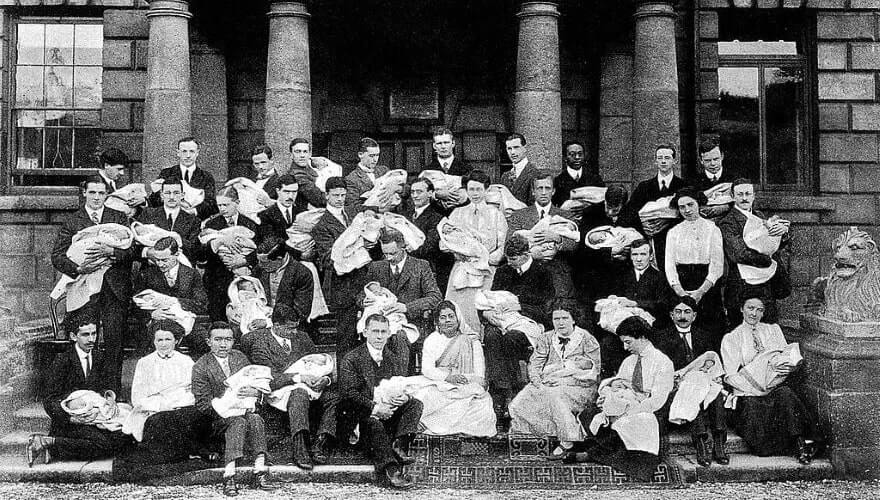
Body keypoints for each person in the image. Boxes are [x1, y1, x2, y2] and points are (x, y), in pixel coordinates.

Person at [52, 177, 134, 394]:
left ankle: (112, 392)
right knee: (87, 339)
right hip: (85, 289)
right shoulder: (73, 221)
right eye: (92, 193)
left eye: (101, 193)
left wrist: (113, 252)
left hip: (113, 289)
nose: (97, 197)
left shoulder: (118, 217)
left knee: (114, 341)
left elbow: (131, 250)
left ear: (107, 194)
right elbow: (57, 256)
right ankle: (87, 391)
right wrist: (78, 269)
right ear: (84, 193)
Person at [569, 316, 674, 482]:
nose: (625, 347)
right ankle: (598, 452)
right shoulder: (629, 361)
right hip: (624, 405)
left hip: (649, 408)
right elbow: (618, 382)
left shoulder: (662, 362)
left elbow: (658, 400)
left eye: (628, 342)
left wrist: (630, 411)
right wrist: (613, 387)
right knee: (588, 415)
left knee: (632, 423)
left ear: (642, 337)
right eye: (623, 343)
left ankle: (594, 454)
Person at [721, 296, 821, 464]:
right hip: (748, 391)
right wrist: (756, 386)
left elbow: (785, 356)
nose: (754, 313)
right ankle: (776, 446)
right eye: (750, 308)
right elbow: (731, 376)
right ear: (741, 309)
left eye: (759, 310)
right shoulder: (732, 338)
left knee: (786, 395)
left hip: (774, 385)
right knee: (752, 407)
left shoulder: (772, 330)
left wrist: (789, 366)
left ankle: (800, 444)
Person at [29, 321, 132, 466]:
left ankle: (53, 445)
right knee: (104, 445)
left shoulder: (99, 357)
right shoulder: (62, 360)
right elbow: (50, 400)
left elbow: (107, 386)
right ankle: (50, 441)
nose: (91, 339)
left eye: (94, 334)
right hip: (70, 421)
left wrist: (110, 398)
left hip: (96, 417)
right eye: (85, 335)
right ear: (73, 336)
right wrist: (72, 418)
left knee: (124, 438)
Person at [192, 323, 278, 496]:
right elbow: (203, 404)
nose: (223, 345)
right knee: (238, 421)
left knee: (255, 418)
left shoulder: (240, 358)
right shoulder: (201, 366)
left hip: (245, 412)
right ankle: (229, 474)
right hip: (217, 421)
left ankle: (259, 470)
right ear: (208, 342)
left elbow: (255, 381)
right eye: (218, 340)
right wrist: (228, 405)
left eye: (228, 340)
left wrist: (255, 392)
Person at [339, 314, 423, 489]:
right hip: (361, 418)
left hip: (388, 413)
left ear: (389, 334)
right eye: (375, 331)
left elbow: (399, 384)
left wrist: (404, 397)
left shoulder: (392, 358)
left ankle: (399, 445)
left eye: (383, 332)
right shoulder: (352, 359)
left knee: (415, 404)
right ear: (365, 332)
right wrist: (376, 408)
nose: (379, 336)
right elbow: (349, 394)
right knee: (373, 424)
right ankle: (392, 470)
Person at [250, 306, 337, 470]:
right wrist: (299, 377)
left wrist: (325, 379)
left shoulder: (303, 337)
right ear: (276, 325)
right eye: (290, 328)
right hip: (280, 390)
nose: (295, 332)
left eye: (296, 327)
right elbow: (268, 377)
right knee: (299, 393)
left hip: (311, 386)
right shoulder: (261, 344)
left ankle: (320, 443)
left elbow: (319, 363)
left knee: (334, 396)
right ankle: (300, 447)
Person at [509, 305, 601, 458]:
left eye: (565, 318)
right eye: (556, 319)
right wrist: (538, 382)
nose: (560, 322)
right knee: (521, 400)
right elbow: (535, 363)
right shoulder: (546, 338)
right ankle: (542, 437)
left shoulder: (587, 339)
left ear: (573, 319)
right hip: (549, 381)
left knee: (556, 395)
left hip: (579, 385)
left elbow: (594, 372)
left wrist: (564, 381)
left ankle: (568, 440)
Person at [652, 298, 728, 467]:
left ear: (694, 316)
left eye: (687, 312)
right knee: (694, 391)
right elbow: (661, 368)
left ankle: (719, 443)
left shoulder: (704, 335)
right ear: (671, 315)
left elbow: (712, 361)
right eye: (678, 312)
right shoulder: (661, 337)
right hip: (677, 386)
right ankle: (700, 443)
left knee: (714, 392)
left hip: (703, 382)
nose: (682, 316)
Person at [485, 235, 556, 418]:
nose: (510, 262)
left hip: (531, 322)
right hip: (503, 320)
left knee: (511, 338)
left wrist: (521, 306)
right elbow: (491, 299)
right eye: (507, 258)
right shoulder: (503, 271)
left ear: (526, 254)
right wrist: (488, 313)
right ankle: (501, 389)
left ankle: (514, 390)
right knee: (491, 335)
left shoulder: (542, 272)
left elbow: (547, 309)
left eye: (514, 258)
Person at [127, 320, 212, 463]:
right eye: (159, 340)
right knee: (158, 422)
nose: (164, 344)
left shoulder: (186, 361)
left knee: (190, 417)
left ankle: (185, 452)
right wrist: (161, 404)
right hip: (153, 410)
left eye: (168, 339)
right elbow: (138, 396)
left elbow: (192, 392)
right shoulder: (144, 363)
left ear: (176, 341)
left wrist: (171, 401)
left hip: (180, 408)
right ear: (154, 341)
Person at [411, 301, 496, 436]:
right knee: (424, 397)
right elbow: (427, 369)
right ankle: (429, 424)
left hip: (466, 384)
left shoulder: (472, 341)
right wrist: (447, 378)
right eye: (443, 317)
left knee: (481, 410)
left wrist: (466, 381)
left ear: (458, 318)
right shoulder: (432, 340)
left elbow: (479, 374)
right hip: (439, 382)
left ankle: (434, 425)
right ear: (437, 321)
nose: (448, 320)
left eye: (451, 316)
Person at [311, 176, 372, 354]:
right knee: (346, 338)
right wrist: (354, 248)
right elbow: (326, 259)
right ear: (326, 196)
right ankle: (346, 380)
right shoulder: (322, 225)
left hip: (363, 280)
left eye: (343, 195)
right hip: (342, 287)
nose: (340, 199)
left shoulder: (353, 215)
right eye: (336, 195)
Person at [719, 178, 791, 326]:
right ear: (733, 196)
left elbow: (773, 244)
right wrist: (768, 260)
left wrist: (782, 234)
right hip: (742, 283)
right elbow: (739, 253)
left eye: (748, 194)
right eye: (740, 194)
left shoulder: (760, 216)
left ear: (753, 196)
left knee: (768, 323)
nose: (744, 198)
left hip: (766, 283)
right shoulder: (728, 222)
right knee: (742, 327)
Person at [445, 169, 508, 333]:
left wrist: (487, 260)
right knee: (459, 314)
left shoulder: (496, 215)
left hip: (486, 272)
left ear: (486, 190)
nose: (475, 193)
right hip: (462, 271)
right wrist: (456, 250)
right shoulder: (457, 213)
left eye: (479, 189)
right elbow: (445, 241)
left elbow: (502, 246)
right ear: (466, 190)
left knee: (480, 311)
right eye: (471, 189)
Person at [664, 187, 726, 345]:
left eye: (690, 205)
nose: (687, 210)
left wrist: (700, 292)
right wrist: (680, 292)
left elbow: (717, 265)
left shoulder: (712, 229)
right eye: (682, 207)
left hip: (706, 283)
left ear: (698, 204)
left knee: (710, 328)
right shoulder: (673, 232)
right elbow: (669, 265)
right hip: (682, 282)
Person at [358, 229, 442, 337]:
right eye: (385, 254)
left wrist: (407, 307)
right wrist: (364, 300)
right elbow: (362, 293)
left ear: (404, 248)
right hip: (380, 323)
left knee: (399, 338)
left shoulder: (421, 266)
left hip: (412, 322)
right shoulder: (376, 267)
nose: (388, 258)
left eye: (393, 253)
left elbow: (435, 297)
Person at [506, 174, 578, 300]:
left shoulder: (566, 216)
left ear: (553, 191)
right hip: (527, 274)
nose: (544, 192)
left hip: (557, 274)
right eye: (539, 188)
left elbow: (575, 244)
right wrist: (530, 254)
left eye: (547, 188)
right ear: (533, 192)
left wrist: (557, 237)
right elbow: (510, 244)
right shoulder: (519, 215)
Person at [134, 236, 208, 353]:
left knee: (205, 340)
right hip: (158, 322)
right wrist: (151, 314)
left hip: (186, 320)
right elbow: (135, 304)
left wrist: (175, 301)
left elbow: (201, 304)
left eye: (165, 260)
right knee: (162, 341)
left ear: (177, 254)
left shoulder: (191, 274)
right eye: (157, 260)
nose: (160, 264)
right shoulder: (147, 275)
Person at [201, 186, 262, 321]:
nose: (222, 208)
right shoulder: (212, 224)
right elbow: (202, 253)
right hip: (218, 279)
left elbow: (259, 250)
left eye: (226, 205)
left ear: (237, 203)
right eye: (219, 205)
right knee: (219, 317)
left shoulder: (249, 224)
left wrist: (244, 260)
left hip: (243, 278)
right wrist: (219, 241)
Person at [627, 143, 686, 269]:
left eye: (667, 158)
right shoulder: (644, 187)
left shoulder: (683, 186)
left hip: (676, 241)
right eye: (660, 158)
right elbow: (630, 212)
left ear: (674, 160)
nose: (663, 161)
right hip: (651, 241)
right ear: (655, 161)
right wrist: (645, 230)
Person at [401, 178, 453, 292]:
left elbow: (428, 248)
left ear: (430, 193)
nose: (415, 195)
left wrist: (402, 252)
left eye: (419, 192)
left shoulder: (437, 218)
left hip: (426, 272)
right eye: (413, 192)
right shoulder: (404, 216)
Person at [148, 137, 218, 220]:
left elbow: (211, 204)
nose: (188, 156)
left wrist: (194, 211)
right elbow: (155, 201)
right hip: (170, 221)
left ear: (197, 153)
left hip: (197, 221)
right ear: (178, 153)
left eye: (191, 151)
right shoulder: (166, 173)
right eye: (184, 151)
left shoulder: (206, 177)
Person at [137, 178, 201, 262]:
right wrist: (147, 252)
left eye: (176, 193)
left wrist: (179, 240)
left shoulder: (193, 220)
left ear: (182, 195)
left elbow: (197, 252)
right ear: (162, 195)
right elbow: (133, 246)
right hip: (152, 270)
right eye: (167, 193)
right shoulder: (148, 214)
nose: (171, 197)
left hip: (181, 271)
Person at [256, 174, 311, 261]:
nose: (290, 196)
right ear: (278, 191)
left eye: (294, 192)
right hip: (278, 261)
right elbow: (273, 242)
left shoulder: (304, 212)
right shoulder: (265, 215)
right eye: (286, 192)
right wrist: (299, 254)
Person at [691, 138, 736, 220]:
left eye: (716, 159)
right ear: (701, 160)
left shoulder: (734, 177)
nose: (713, 164)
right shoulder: (693, 181)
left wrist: (726, 207)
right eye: (708, 160)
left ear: (722, 156)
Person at [552, 140, 604, 207]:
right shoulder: (558, 181)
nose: (577, 157)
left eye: (580, 154)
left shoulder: (595, 179)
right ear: (565, 157)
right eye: (572, 154)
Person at [345, 137, 389, 209]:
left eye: (377, 155)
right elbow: (352, 206)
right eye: (371, 156)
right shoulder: (351, 179)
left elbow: (406, 191)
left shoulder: (384, 171)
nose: (375, 159)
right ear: (360, 154)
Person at [500, 133, 540, 205]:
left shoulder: (534, 173)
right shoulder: (505, 176)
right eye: (509, 148)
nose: (512, 152)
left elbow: (534, 206)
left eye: (516, 147)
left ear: (525, 148)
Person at [288, 138, 327, 208]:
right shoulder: (297, 175)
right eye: (298, 152)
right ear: (291, 155)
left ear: (309, 154)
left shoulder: (308, 168)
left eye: (305, 151)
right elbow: (320, 199)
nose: (302, 155)